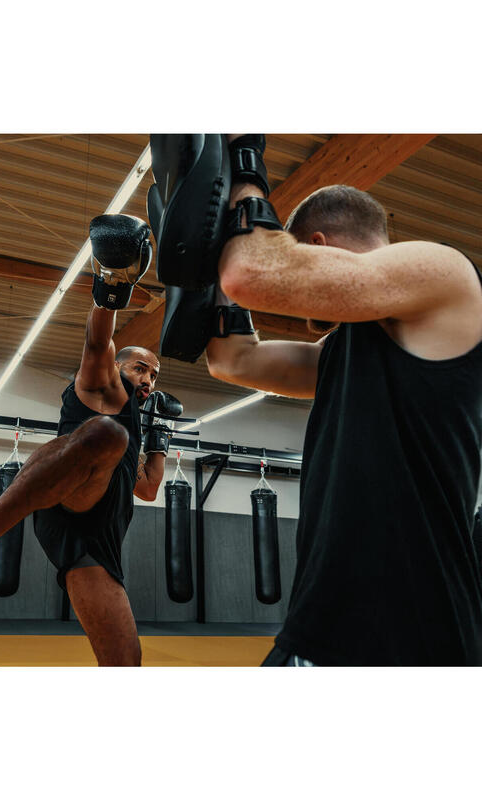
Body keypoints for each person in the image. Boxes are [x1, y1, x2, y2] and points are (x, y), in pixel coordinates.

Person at [197, 134, 482, 665]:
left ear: (319, 246)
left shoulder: (444, 274)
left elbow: (253, 273)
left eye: (298, 251)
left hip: (414, 633)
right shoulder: (345, 347)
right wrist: (205, 258)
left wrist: (241, 164)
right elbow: (233, 360)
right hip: (321, 627)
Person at [0, 213, 182, 666]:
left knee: (124, 665)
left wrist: (157, 440)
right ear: (121, 368)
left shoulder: (137, 420)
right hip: (69, 496)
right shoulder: (100, 387)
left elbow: (147, 488)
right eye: (140, 367)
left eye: (154, 375)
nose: (148, 379)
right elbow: (97, 344)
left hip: (103, 535)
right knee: (105, 434)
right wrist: (112, 286)